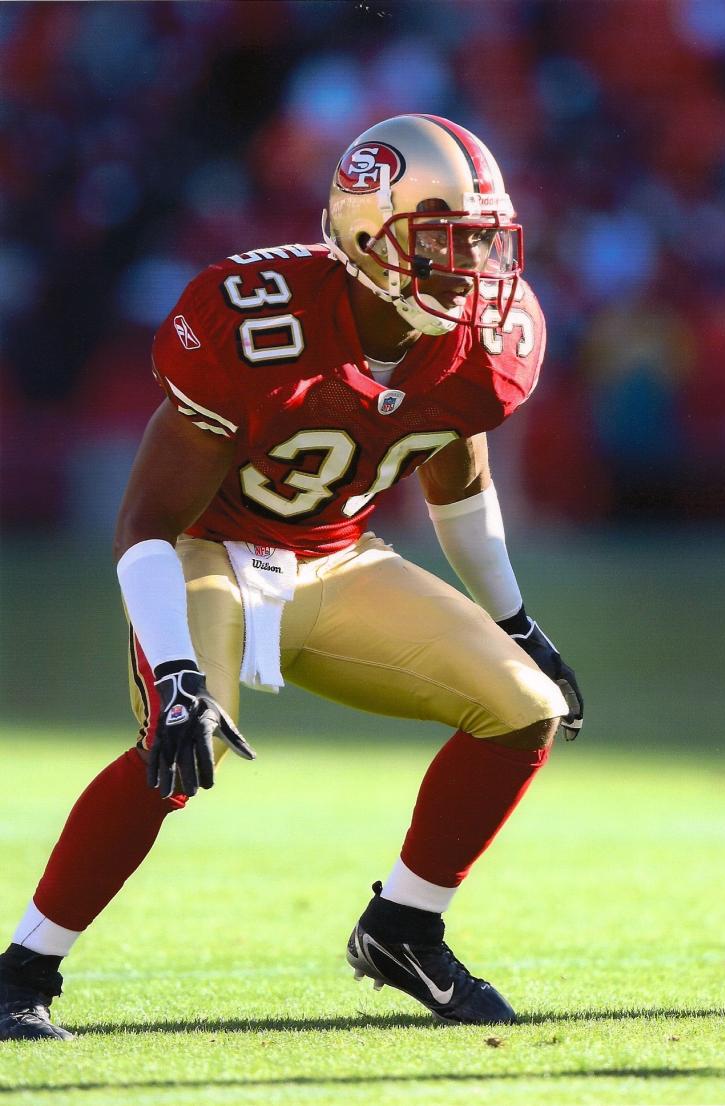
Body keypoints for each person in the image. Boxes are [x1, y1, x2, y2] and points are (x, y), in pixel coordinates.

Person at [0, 114, 582, 1040]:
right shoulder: (255, 318)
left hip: (340, 557)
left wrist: (514, 622)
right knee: (187, 748)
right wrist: (176, 670)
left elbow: (454, 474)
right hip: (207, 550)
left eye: (480, 240)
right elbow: (147, 521)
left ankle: (403, 929)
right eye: (439, 239)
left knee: (526, 708)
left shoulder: (487, 338)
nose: (469, 266)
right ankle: (22, 969)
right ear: (365, 234)